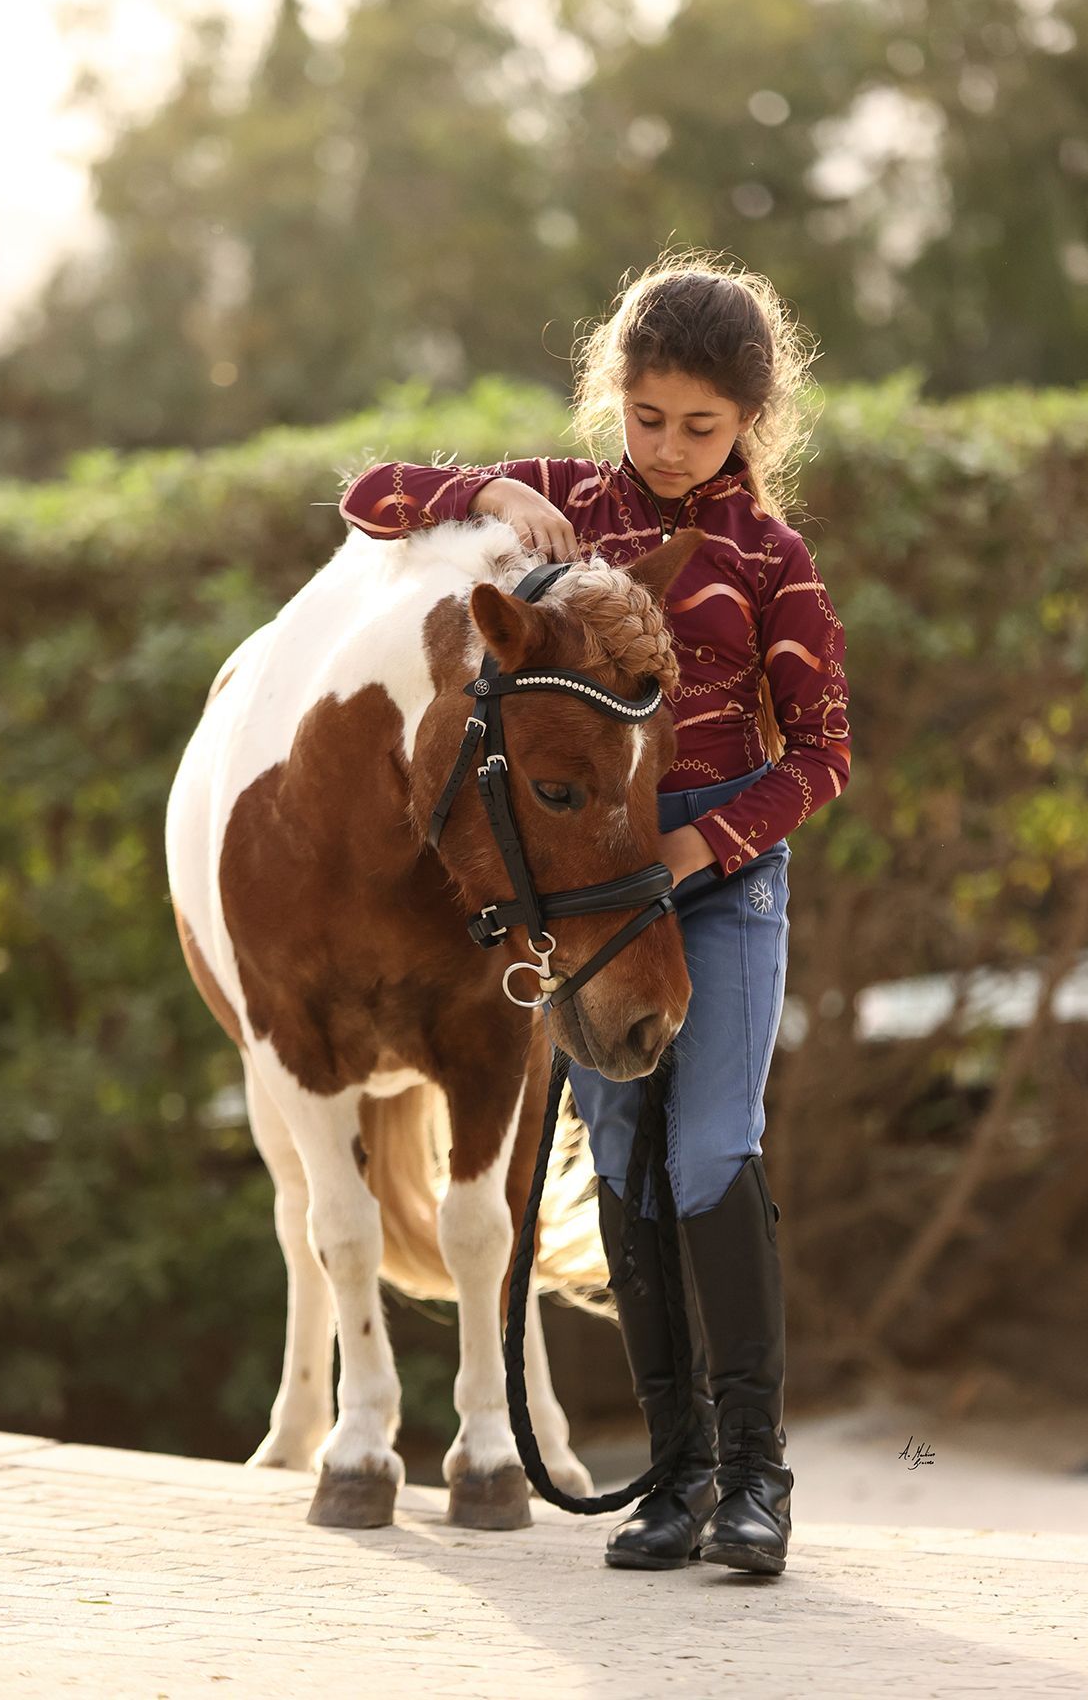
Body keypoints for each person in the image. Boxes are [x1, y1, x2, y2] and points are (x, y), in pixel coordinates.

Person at [338, 249, 852, 1576]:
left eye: (702, 427)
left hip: (718, 882)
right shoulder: (558, 509)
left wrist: (699, 842)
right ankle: (676, 1479)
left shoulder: (772, 558)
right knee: (621, 1158)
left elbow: (823, 755)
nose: (668, 449)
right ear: (614, 396)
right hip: (587, 884)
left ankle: (757, 1481)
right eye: (648, 417)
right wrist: (486, 493)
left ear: (750, 424)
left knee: (710, 1151)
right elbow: (367, 498)